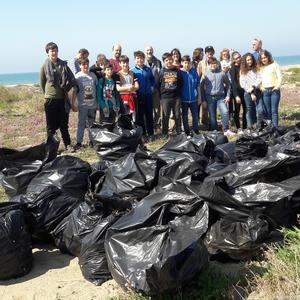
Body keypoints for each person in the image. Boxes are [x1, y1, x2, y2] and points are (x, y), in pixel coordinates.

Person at [40, 42, 77, 151]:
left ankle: (68, 145)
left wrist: (66, 88)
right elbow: (42, 82)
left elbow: (72, 79)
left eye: (55, 50)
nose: (54, 53)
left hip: (62, 99)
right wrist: (48, 94)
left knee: (64, 124)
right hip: (50, 99)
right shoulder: (44, 65)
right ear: (48, 53)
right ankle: (51, 148)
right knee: (50, 127)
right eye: (52, 51)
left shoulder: (64, 65)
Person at [201, 57, 234, 136]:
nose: (213, 65)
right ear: (208, 65)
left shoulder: (222, 73)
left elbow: (229, 85)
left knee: (225, 111)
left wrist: (228, 96)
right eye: (211, 64)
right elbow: (201, 87)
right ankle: (214, 130)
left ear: (217, 64)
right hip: (209, 97)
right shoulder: (205, 74)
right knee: (212, 115)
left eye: (214, 63)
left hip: (220, 97)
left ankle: (226, 130)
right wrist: (203, 100)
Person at [74, 58, 98, 150]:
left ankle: (92, 141)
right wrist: (74, 103)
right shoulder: (77, 77)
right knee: (81, 124)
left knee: (92, 124)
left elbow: (96, 89)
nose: (86, 66)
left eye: (87, 64)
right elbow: (75, 91)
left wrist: (98, 104)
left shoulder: (93, 76)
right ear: (80, 66)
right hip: (82, 105)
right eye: (83, 64)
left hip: (92, 105)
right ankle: (79, 142)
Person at [158, 52, 182, 139]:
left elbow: (180, 82)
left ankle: (179, 132)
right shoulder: (161, 72)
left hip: (176, 97)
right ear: (164, 61)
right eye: (166, 60)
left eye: (170, 60)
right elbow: (158, 84)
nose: (169, 61)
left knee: (177, 115)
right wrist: (161, 96)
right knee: (165, 116)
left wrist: (178, 93)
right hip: (165, 98)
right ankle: (165, 133)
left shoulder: (177, 71)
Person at [132, 50, 155, 140]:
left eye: (141, 58)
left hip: (148, 95)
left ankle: (151, 134)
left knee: (149, 114)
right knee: (140, 116)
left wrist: (152, 86)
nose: (139, 60)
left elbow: (152, 79)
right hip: (138, 96)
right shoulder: (133, 71)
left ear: (144, 59)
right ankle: (143, 134)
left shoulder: (148, 69)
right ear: (135, 60)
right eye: (137, 58)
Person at [258, 49, 282, 127]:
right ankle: (269, 128)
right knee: (267, 111)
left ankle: (275, 129)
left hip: (274, 90)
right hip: (265, 91)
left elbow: (280, 77)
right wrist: (261, 87)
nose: (263, 59)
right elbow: (259, 79)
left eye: (265, 57)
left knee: (274, 111)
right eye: (262, 58)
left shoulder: (274, 65)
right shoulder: (261, 68)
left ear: (268, 57)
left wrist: (277, 86)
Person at [239, 53, 263, 129]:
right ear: (245, 61)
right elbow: (243, 84)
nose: (249, 61)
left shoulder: (256, 68)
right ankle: (250, 127)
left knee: (260, 110)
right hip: (248, 93)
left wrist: (253, 86)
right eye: (247, 60)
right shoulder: (242, 71)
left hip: (257, 91)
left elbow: (259, 79)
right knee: (249, 111)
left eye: (250, 59)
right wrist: (251, 93)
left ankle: (259, 127)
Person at [180, 55, 201, 136]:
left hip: (194, 99)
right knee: (185, 116)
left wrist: (199, 97)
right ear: (182, 63)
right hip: (184, 99)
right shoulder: (180, 73)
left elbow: (198, 85)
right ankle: (187, 131)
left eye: (188, 63)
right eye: (185, 63)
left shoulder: (194, 72)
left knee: (195, 116)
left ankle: (196, 130)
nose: (187, 65)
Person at [197, 46, 218, 127]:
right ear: (205, 53)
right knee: (204, 107)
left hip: (214, 88)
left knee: (213, 107)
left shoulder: (217, 62)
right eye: (208, 51)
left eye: (211, 51)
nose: (209, 53)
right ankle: (205, 123)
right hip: (204, 87)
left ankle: (213, 123)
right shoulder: (201, 63)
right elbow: (198, 76)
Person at [144, 45, 162, 131]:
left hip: (156, 89)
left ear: (153, 51)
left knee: (157, 109)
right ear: (145, 52)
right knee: (147, 109)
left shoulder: (158, 62)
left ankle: (157, 126)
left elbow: (161, 75)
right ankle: (148, 126)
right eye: (147, 50)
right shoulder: (142, 62)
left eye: (150, 50)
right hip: (146, 90)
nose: (149, 52)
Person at [116, 55, 139, 121]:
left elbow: (137, 86)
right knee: (125, 116)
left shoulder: (132, 73)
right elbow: (118, 88)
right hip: (123, 98)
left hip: (133, 97)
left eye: (126, 62)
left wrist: (132, 88)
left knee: (134, 116)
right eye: (123, 63)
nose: (125, 64)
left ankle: (133, 130)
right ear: (120, 64)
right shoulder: (118, 74)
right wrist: (128, 88)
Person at [229, 51, 247, 131]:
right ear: (233, 60)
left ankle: (245, 127)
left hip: (245, 91)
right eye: (236, 58)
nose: (239, 59)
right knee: (237, 110)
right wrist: (236, 96)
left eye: (239, 57)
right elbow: (233, 83)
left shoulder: (243, 66)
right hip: (237, 92)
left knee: (246, 109)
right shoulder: (232, 69)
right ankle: (238, 128)